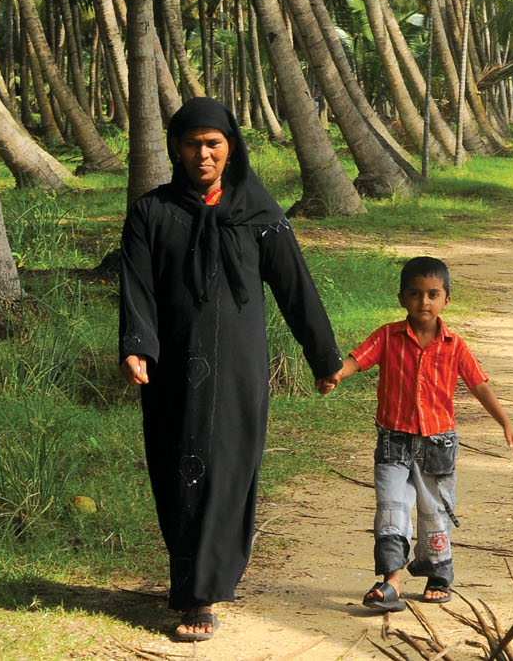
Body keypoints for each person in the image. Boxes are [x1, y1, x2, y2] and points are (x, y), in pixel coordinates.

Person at [118, 98, 345, 641]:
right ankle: (189, 579)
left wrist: (323, 356)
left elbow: (295, 287)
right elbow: (137, 286)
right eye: (192, 144)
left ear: (231, 147)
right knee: (177, 470)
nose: (203, 154)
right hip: (171, 369)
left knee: (226, 470)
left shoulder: (259, 215)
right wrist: (137, 346)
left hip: (238, 367)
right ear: (175, 149)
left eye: (213, 144)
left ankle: (202, 594)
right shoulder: (151, 212)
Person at [321, 256, 513, 611]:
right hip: (393, 441)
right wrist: (336, 374)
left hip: (437, 445)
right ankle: (391, 581)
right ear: (402, 298)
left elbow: (478, 384)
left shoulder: (455, 345)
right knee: (391, 508)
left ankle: (438, 576)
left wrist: (504, 421)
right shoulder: (387, 336)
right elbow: (357, 360)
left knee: (434, 512)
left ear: (447, 299)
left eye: (432, 294)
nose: (423, 302)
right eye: (415, 294)